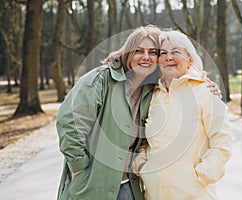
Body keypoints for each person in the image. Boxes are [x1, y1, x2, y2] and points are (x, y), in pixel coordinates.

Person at [56, 25, 221, 200]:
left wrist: (205, 84)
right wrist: (79, 168)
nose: (146, 57)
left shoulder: (152, 90)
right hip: (92, 187)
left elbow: (181, 74)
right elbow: (69, 123)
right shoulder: (101, 79)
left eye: (153, 52)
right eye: (139, 51)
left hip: (129, 186)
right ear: (128, 53)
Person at [132, 30, 232, 200]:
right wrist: (141, 167)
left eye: (176, 52)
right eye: (163, 53)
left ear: (190, 60)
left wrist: (200, 178)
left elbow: (222, 142)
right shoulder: (152, 95)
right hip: (155, 194)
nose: (168, 57)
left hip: (194, 194)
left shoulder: (204, 92)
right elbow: (144, 141)